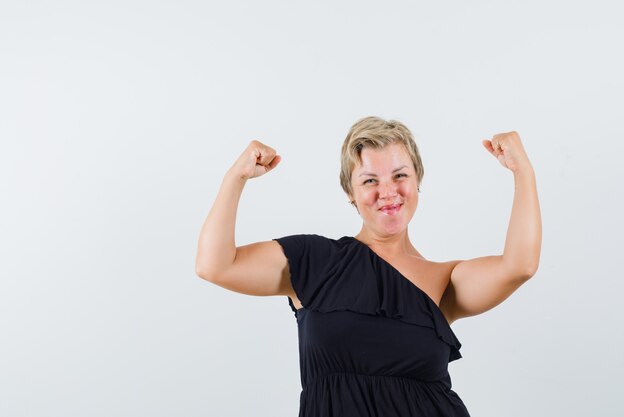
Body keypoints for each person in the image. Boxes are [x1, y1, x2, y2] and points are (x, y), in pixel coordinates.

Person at [195, 116, 542, 416]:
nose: (388, 191)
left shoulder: (443, 280)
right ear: (350, 191)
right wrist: (235, 176)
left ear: (418, 179)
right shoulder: (313, 261)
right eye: (370, 180)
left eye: (399, 175)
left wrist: (522, 170)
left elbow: (520, 266)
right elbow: (215, 265)